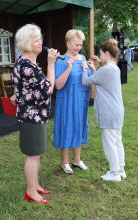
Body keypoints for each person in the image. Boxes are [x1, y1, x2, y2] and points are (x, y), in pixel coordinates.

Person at [13, 24, 58, 203]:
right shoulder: (27, 65)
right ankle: (31, 191)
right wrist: (51, 64)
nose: (40, 42)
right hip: (31, 116)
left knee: (36, 152)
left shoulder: (27, 63)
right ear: (26, 43)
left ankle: (36, 185)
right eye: (36, 39)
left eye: (40, 38)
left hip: (34, 115)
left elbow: (20, 90)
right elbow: (48, 89)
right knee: (33, 155)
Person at [82, 39, 126, 182]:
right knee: (117, 141)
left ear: (106, 53)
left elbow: (86, 82)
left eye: (101, 54)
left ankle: (114, 174)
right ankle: (120, 170)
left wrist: (84, 68)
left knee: (109, 143)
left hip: (109, 112)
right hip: (117, 111)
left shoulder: (106, 70)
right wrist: (94, 68)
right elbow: (99, 79)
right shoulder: (114, 68)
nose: (99, 57)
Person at [53, 29, 92, 174]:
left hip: (81, 100)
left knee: (79, 125)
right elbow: (58, 85)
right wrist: (69, 68)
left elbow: (86, 78)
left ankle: (77, 160)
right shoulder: (61, 60)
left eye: (80, 45)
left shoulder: (82, 57)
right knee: (67, 126)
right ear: (67, 43)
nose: (78, 48)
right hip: (67, 100)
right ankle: (65, 162)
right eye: (76, 44)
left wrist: (90, 67)